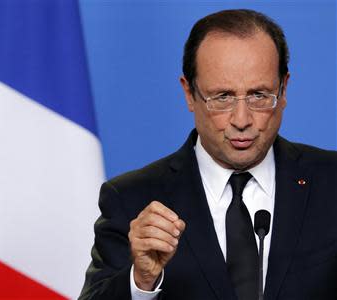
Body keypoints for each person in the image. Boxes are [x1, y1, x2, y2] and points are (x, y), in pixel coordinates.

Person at [79, 9, 337, 300]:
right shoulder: (131, 199)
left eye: (259, 95)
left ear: (284, 89)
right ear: (189, 93)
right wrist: (141, 280)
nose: (242, 119)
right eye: (222, 97)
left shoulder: (331, 182)